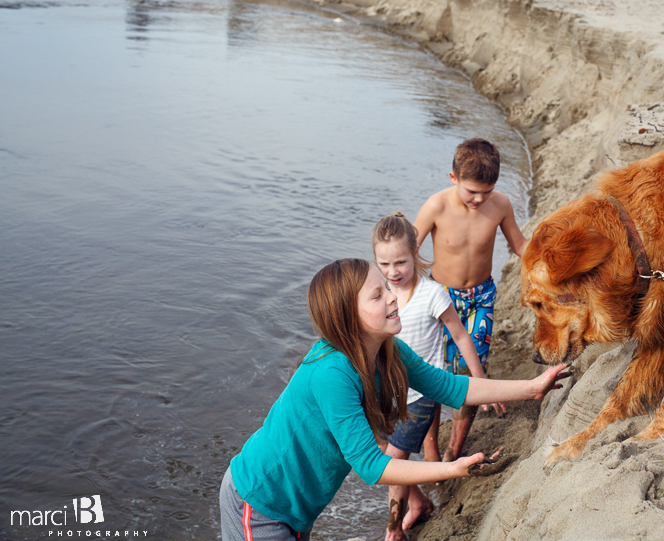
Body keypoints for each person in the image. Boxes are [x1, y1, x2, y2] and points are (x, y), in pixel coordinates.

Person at [219, 258, 567, 541]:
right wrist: (450, 468)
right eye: (376, 295)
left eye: (387, 287)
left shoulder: (388, 350)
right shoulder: (331, 374)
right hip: (259, 501)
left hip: (298, 506)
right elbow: (373, 466)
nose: (392, 296)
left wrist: (533, 386)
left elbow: (450, 387)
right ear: (346, 316)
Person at [372, 213, 498, 541]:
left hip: (419, 397)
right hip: (387, 394)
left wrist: (479, 380)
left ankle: (393, 530)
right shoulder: (380, 295)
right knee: (379, 450)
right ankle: (419, 504)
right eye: (383, 264)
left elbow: (459, 336)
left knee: (392, 461)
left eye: (400, 262)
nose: (392, 272)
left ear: (415, 254)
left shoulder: (432, 294)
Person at [414, 138, 528, 461]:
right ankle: (431, 448)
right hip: (440, 298)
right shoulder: (436, 206)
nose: (479, 199)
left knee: (471, 373)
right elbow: (407, 250)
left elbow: (520, 246)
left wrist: (548, 260)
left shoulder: (500, 205)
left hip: (481, 299)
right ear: (454, 178)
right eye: (471, 191)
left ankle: (454, 451)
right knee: (432, 373)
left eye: (486, 191)